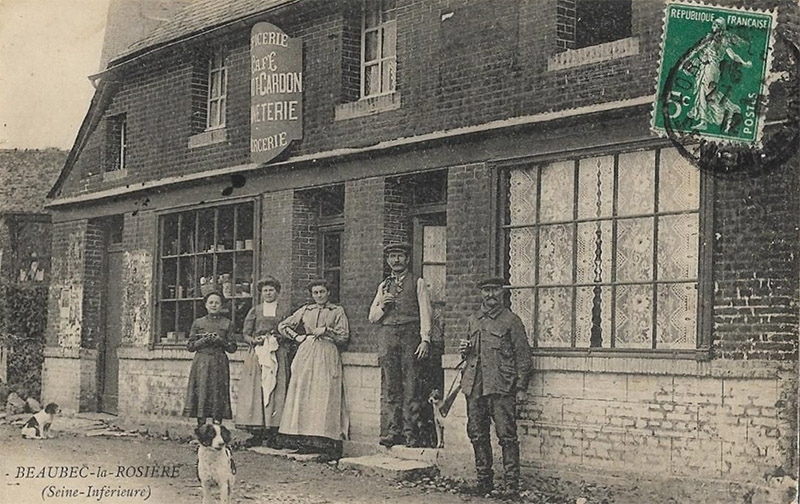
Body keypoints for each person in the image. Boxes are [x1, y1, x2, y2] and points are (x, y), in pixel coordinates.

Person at [459, 277, 532, 498]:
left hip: (501, 386)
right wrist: (465, 350)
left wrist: (521, 388)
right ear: (481, 293)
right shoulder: (474, 320)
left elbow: (524, 357)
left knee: (507, 436)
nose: (490, 295)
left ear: (503, 292)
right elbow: (470, 354)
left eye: (495, 290)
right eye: (486, 290)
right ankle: (484, 482)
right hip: (475, 386)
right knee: (477, 434)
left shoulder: (511, 321)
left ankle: (511, 487)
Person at [368, 242, 433, 448]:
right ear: (387, 261)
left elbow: (425, 312)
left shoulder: (417, 282)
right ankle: (393, 431)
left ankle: (410, 433)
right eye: (392, 257)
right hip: (388, 336)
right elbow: (372, 317)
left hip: (410, 335)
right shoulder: (384, 285)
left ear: (407, 259)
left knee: (411, 385)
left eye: (400, 256)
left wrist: (425, 339)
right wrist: (384, 307)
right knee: (392, 386)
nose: (396, 260)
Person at [278, 279, 350, 453]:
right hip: (307, 351)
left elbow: (344, 336)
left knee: (324, 393)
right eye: (315, 293)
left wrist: (327, 331)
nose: (319, 295)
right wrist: (297, 337)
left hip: (327, 350)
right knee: (304, 391)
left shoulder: (336, 311)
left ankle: (325, 440)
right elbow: (283, 326)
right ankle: (303, 439)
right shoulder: (305, 310)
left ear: (328, 293)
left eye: (322, 292)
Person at [235, 276, 291, 448]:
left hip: (276, 353)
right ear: (261, 293)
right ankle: (257, 432)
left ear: (277, 292)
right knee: (257, 390)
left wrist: (278, 338)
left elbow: (289, 331)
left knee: (276, 389)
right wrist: (254, 340)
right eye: (265, 290)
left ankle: (273, 433)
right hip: (258, 355)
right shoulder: (255, 311)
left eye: (271, 290)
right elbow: (246, 333)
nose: (268, 293)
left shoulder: (283, 311)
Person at [684, 17, 752, 132]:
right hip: (710, 69)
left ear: (719, 27)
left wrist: (744, 63)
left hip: (710, 68)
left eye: (714, 25)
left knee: (703, 92)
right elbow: (732, 56)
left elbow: (732, 55)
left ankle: (704, 121)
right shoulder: (717, 40)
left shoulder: (717, 40)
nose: (712, 27)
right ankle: (724, 111)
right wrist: (744, 63)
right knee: (708, 94)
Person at [183, 291, 238, 426]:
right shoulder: (198, 323)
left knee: (217, 394)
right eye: (211, 302)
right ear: (206, 305)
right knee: (201, 392)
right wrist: (203, 340)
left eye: (217, 303)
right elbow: (190, 346)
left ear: (221, 305)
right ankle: (201, 430)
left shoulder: (227, 323)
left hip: (219, 363)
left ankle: (216, 431)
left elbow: (232, 348)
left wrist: (220, 341)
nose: (214, 305)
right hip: (201, 362)